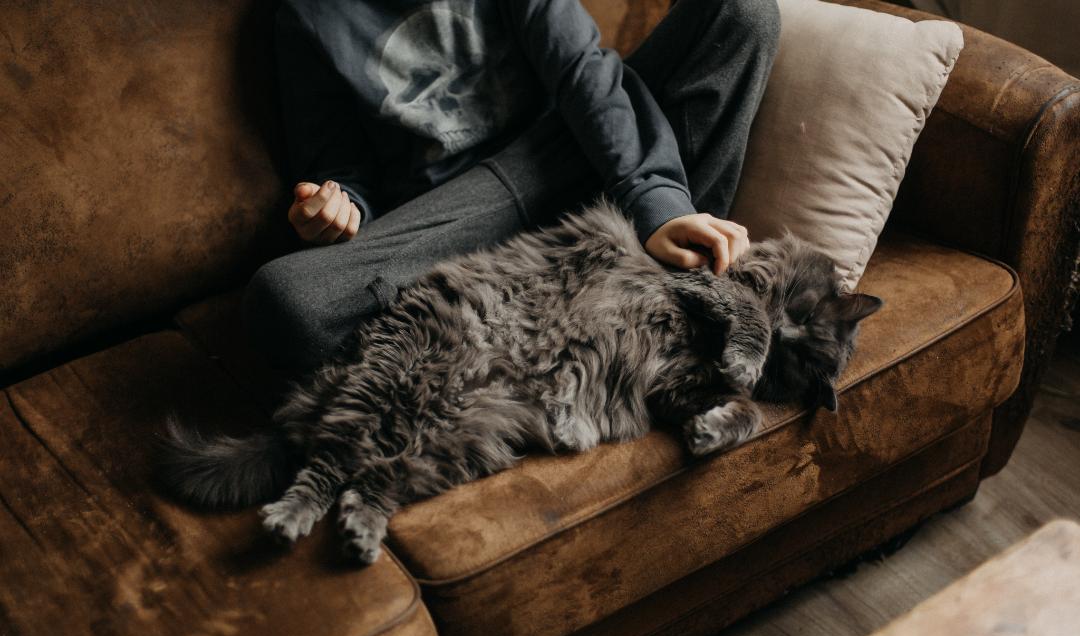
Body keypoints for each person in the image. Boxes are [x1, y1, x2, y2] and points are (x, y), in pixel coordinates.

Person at [245, 0, 781, 371]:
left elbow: (584, 75)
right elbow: (343, 171)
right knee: (286, 302)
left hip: (569, 161)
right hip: (459, 225)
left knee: (740, 12)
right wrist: (334, 209)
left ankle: (682, 282)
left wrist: (656, 202)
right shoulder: (304, 17)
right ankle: (624, 305)